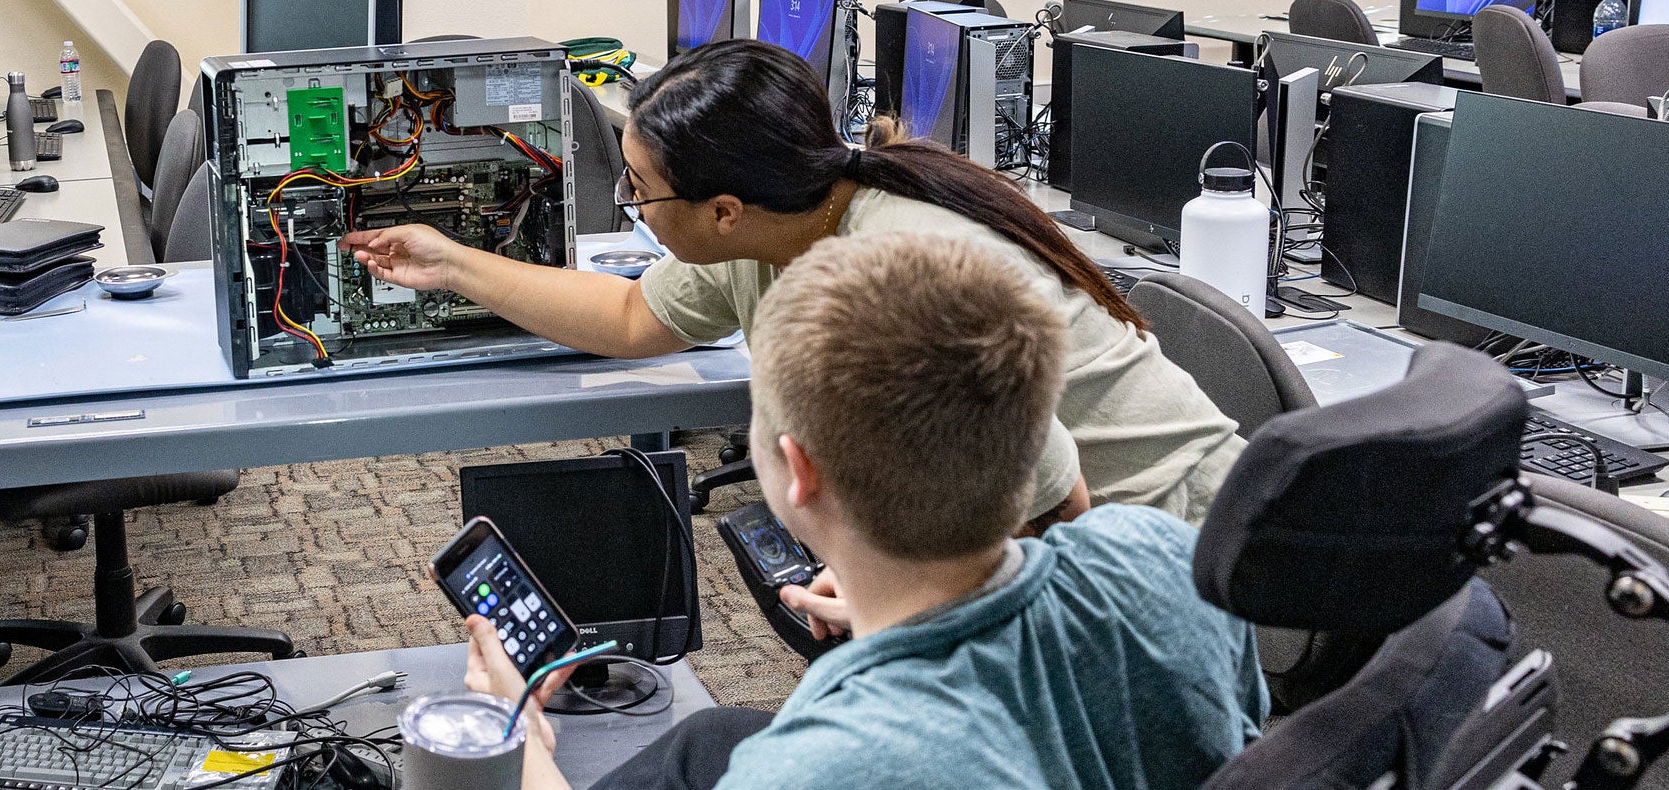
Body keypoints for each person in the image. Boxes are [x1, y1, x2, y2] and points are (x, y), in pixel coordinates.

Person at [461, 232, 1267, 789]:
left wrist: (519, 739)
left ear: (797, 471)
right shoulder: (1160, 553)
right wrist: (903, 597)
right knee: (709, 740)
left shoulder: (831, 764)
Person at [343, 39, 1243, 530]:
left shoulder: (900, 271)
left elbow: (1051, 487)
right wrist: (452, 264)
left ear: (723, 207)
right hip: (1050, 517)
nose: (634, 209)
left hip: (1169, 540)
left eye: (640, 191)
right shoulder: (782, 216)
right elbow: (626, 314)